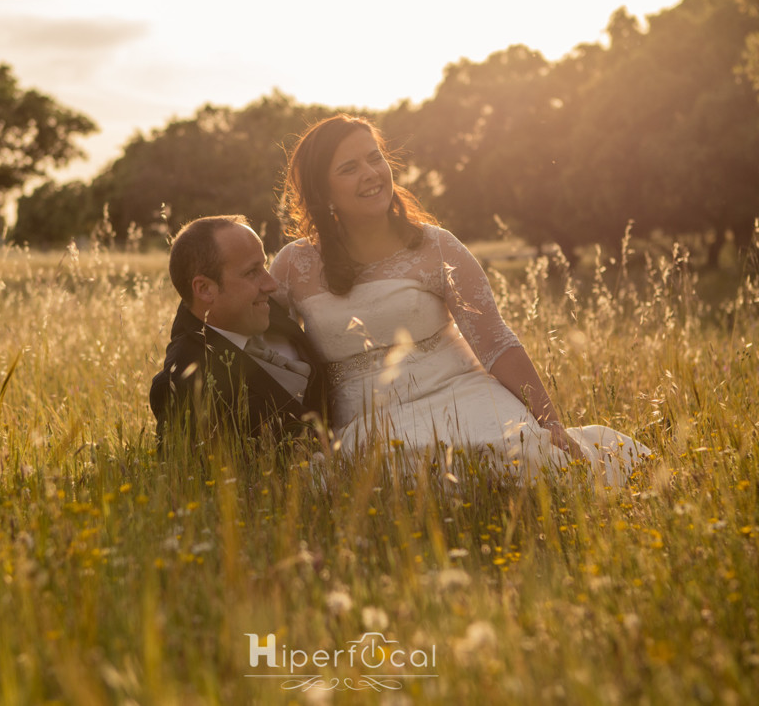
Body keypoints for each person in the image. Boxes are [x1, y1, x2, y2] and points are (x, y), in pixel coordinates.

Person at [268, 115, 650, 485]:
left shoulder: (436, 246)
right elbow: (255, 343)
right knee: (404, 474)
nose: (371, 173)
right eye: (349, 167)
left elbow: (496, 343)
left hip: (462, 393)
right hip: (369, 421)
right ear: (322, 191)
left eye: (375, 157)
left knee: (518, 455)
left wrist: (550, 423)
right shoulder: (292, 266)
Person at [150, 215, 327, 441]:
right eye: (251, 272)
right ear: (204, 289)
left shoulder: (261, 309)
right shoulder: (182, 385)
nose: (272, 284)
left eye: (263, 265)